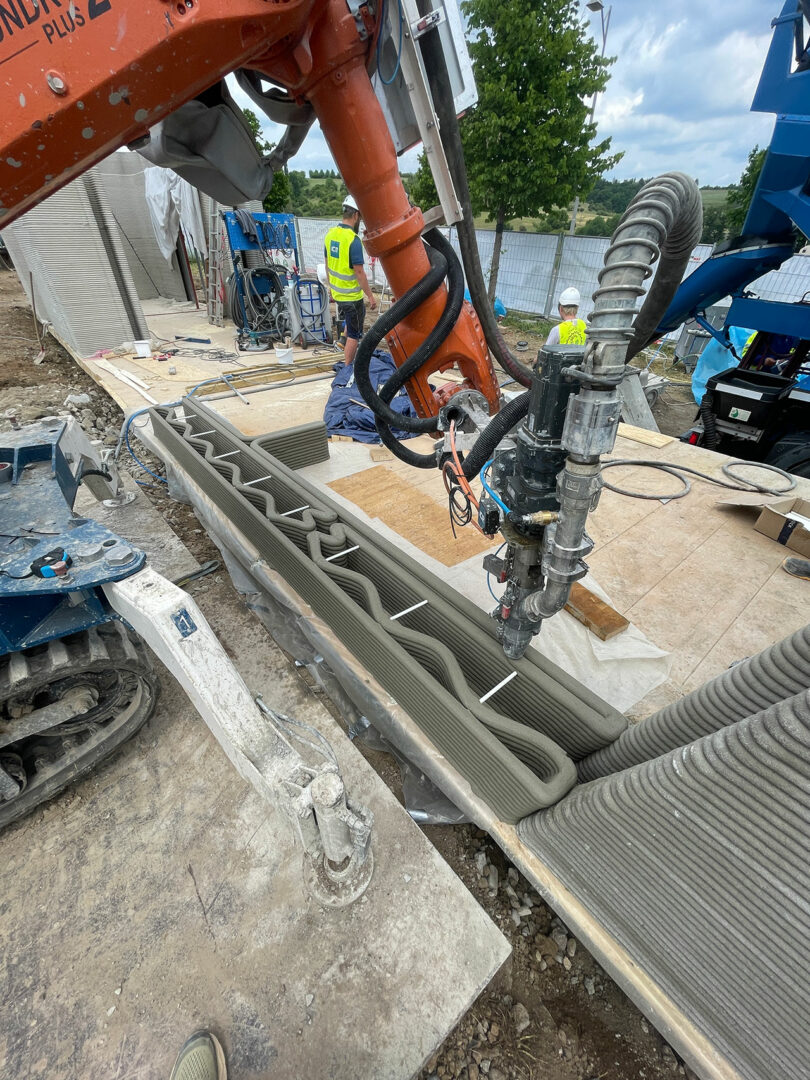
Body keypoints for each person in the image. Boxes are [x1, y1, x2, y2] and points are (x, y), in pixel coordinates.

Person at [323, 194, 376, 365]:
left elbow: (327, 265)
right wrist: (371, 295)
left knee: (355, 317)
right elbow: (359, 273)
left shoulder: (330, 235)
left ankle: (342, 340)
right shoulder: (353, 241)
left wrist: (331, 287)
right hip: (352, 297)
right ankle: (347, 367)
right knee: (356, 332)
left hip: (338, 294)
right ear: (355, 215)